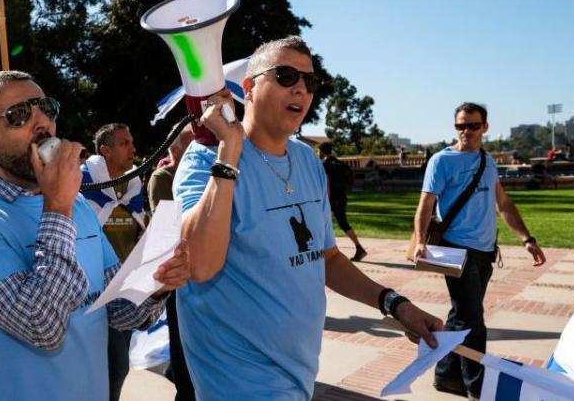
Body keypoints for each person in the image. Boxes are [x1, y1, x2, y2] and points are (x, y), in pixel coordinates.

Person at [175, 36, 443, 400]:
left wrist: (396, 305)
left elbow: (327, 258)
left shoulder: (307, 161)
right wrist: (229, 151)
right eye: (286, 75)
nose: (301, 88)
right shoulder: (205, 160)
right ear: (250, 88)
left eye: (310, 81)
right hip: (238, 378)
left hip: (298, 372)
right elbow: (201, 265)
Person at [0, 71, 189, 401]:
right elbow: (42, 327)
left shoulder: (75, 203)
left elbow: (116, 310)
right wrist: (57, 205)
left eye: (45, 109)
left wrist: (156, 284)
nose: (42, 123)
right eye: (19, 114)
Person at [413, 102, 547, 399]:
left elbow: (503, 205)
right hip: (456, 251)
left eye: (473, 125)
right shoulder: (441, 161)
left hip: (485, 252)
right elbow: (425, 204)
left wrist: (527, 238)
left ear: (485, 127)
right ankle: (477, 387)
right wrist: (420, 239)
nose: (467, 131)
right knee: (473, 321)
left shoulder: (488, 161)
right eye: (461, 126)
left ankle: (447, 375)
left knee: (462, 315)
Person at [80, 123, 148, 401]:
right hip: (94, 289)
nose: (133, 148)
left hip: (126, 286)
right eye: (124, 143)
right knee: (115, 366)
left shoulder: (134, 184)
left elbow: (139, 225)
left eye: (131, 142)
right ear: (105, 151)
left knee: (117, 367)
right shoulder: (82, 182)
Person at [146, 124, 196, 401]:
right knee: (182, 345)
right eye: (192, 144)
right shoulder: (164, 177)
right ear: (174, 149)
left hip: (203, 273)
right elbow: (168, 225)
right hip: (178, 275)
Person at [319, 142, 367, 261]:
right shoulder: (339, 163)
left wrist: (327, 204)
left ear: (321, 151)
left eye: (318, 151)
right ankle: (359, 248)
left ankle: (323, 253)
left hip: (331, 200)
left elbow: (327, 185)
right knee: (343, 224)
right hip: (342, 197)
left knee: (321, 225)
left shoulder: (326, 165)